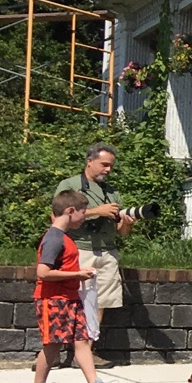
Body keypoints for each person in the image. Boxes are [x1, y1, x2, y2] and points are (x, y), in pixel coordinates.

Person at [23, 190, 118, 383]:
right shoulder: (54, 239)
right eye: (83, 213)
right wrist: (78, 273)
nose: (84, 217)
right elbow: (43, 272)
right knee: (53, 344)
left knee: (82, 340)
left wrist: (78, 273)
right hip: (53, 300)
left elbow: (61, 266)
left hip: (69, 298)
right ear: (70, 211)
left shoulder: (63, 238)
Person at [54, 142, 133, 343]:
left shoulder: (112, 192)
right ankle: (57, 348)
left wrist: (128, 222)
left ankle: (88, 351)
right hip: (80, 249)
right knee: (72, 300)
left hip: (107, 252)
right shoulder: (70, 185)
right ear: (90, 162)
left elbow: (121, 232)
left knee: (100, 303)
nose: (108, 170)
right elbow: (57, 218)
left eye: (111, 166)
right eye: (104, 164)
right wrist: (96, 212)